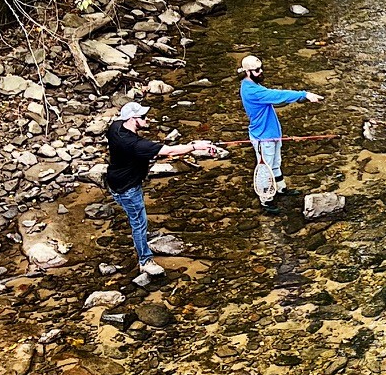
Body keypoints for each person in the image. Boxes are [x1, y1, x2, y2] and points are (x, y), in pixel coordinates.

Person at [104, 100, 221, 284]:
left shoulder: (115, 128)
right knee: (138, 223)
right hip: (127, 188)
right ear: (132, 119)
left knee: (136, 219)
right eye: (143, 117)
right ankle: (145, 260)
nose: (147, 119)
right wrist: (195, 146)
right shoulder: (134, 144)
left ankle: (142, 240)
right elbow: (169, 150)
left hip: (115, 181)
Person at [239, 54, 320, 206]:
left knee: (276, 163)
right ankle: (266, 199)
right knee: (265, 169)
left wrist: (298, 99)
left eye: (261, 68)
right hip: (263, 137)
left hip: (272, 133)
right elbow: (277, 95)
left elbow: (276, 98)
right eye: (257, 70)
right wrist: (304, 94)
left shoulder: (252, 85)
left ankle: (281, 188)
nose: (261, 72)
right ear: (247, 72)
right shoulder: (252, 91)